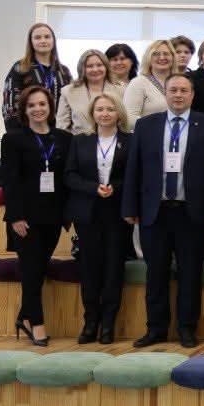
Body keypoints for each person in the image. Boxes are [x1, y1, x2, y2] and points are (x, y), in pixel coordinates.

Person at [122, 73, 204, 348]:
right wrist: (130, 206)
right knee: (155, 273)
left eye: (183, 90)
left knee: (190, 274)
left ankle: (187, 328)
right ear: (165, 94)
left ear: (192, 95)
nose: (178, 95)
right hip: (153, 212)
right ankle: (155, 329)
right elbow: (133, 169)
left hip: (192, 212)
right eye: (173, 90)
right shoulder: (146, 125)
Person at [1, 86, 72, 346]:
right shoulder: (13, 139)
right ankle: (37, 325)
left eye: (42, 104)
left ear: (50, 107)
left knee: (39, 270)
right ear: (24, 110)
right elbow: (9, 180)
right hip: (25, 219)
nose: (37, 109)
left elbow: (67, 178)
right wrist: (15, 217)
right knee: (31, 272)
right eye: (31, 105)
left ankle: (24, 317)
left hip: (53, 217)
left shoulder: (64, 139)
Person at [63, 93, 130, 345]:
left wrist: (115, 187)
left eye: (110, 109)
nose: (105, 114)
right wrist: (93, 188)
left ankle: (108, 325)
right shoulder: (79, 141)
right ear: (92, 114)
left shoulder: (130, 141)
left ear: (118, 113)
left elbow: (134, 175)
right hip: (87, 213)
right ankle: (91, 322)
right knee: (89, 269)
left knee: (113, 269)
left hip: (116, 212)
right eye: (100, 109)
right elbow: (69, 176)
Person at [2, 23, 73, 131]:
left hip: (58, 132)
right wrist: (17, 133)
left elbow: (71, 104)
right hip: (27, 132)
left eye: (47, 37)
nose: (43, 41)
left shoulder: (63, 72)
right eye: (37, 37)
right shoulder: (20, 68)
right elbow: (10, 106)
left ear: (53, 40)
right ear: (31, 42)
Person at [57, 49, 125, 135]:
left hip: (112, 140)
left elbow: (124, 122)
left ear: (106, 67)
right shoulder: (68, 91)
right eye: (89, 66)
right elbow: (61, 126)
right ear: (82, 69)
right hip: (79, 141)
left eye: (99, 65)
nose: (95, 69)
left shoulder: (121, 90)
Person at [123, 40, 176, 124]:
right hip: (151, 132)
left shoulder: (181, 82)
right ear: (148, 58)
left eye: (166, 54)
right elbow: (129, 118)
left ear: (173, 57)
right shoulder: (138, 83)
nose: (162, 57)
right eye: (156, 54)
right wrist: (155, 127)